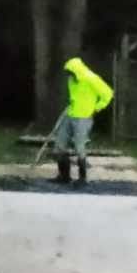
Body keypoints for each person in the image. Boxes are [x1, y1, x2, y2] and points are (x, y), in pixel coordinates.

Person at [53, 56, 113, 186]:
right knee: (60, 143)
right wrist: (71, 101)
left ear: (77, 70)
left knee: (79, 146)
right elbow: (75, 96)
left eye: (70, 72)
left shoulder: (91, 78)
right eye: (68, 72)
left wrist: (97, 108)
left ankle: (82, 178)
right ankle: (64, 176)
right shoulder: (71, 80)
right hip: (70, 114)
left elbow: (108, 93)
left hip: (83, 118)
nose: (69, 75)